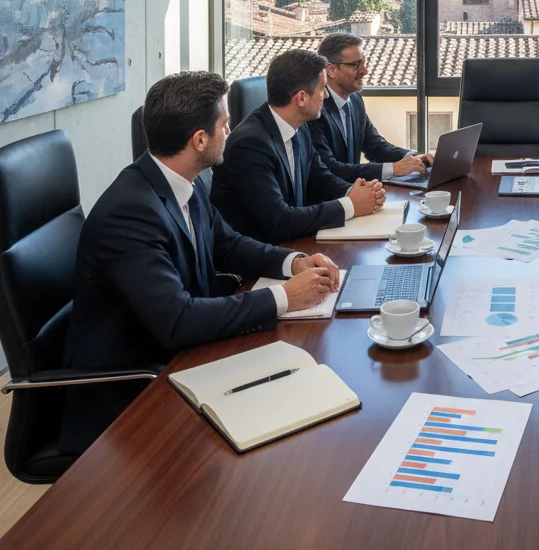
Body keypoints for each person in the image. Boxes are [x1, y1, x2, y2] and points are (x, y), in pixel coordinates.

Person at [60, 71, 342, 454]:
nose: (232, 131)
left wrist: (294, 262)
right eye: (225, 124)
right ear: (199, 140)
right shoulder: (129, 212)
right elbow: (177, 321)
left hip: (184, 359)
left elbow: (228, 244)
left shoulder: (182, 182)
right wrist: (284, 299)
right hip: (132, 393)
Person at [211, 49, 385, 243]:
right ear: (301, 98)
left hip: (296, 244)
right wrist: (350, 205)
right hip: (262, 260)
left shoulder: (299, 127)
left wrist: (357, 192)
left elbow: (320, 177)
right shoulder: (249, 145)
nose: (326, 96)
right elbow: (280, 220)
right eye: (322, 89)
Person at [308, 33, 433, 182]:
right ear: (331, 70)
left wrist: (413, 157)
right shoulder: (314, 110)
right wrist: (393, 169)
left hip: (358, 193)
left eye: (364, 63)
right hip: (331, 199)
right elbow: (331, 168)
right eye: (356, 65)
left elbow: (375, 146)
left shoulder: (355, 100)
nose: (365, 71)